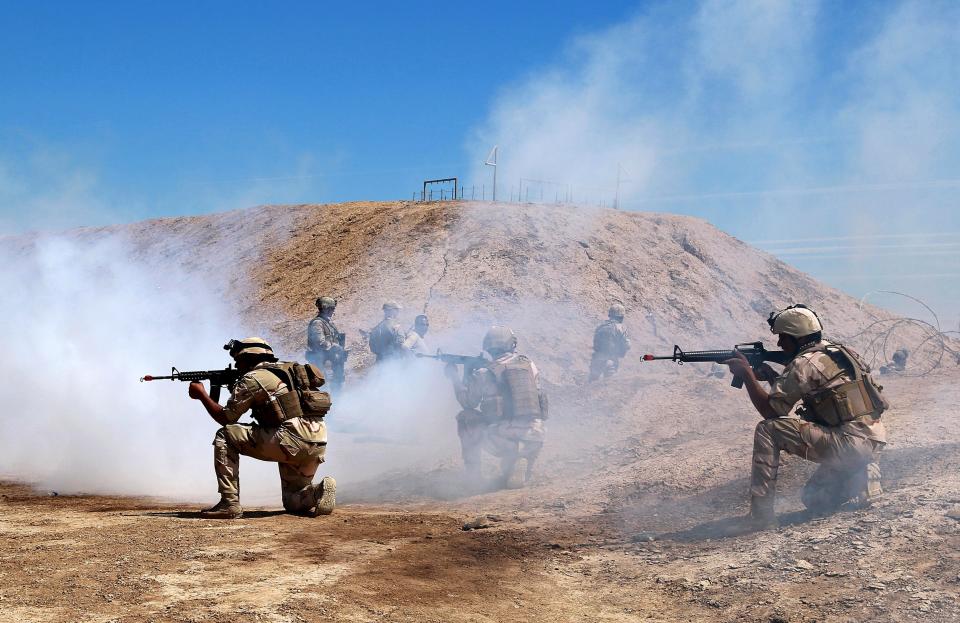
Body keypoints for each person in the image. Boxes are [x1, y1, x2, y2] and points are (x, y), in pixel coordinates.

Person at [724, 305, 888, 528]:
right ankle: (860, 475)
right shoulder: (840, 352)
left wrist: (747, 376)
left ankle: (760, 515)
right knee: (814, 499)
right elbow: (806, 398)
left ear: (796, 337)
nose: (780, 344)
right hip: (870, 440)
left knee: (768, 428)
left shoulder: (804, 363)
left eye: (783, 338)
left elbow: (772, 411)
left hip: (848, 442)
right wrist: (773, 377)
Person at [188, 337, 336, 519]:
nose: (237, 367)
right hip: (317, 442)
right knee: (293, 501)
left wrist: (202, 395)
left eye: (238, 362)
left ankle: (229, 503)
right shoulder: (291, 370)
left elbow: (226, 418)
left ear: (248, 359)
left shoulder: (253, 378)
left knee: (225, 435)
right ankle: (318, 491)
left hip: (290, 440)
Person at [445, 326, 548, 488]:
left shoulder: (484, 373)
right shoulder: (530, 365)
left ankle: (473, 476)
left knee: (466, 417)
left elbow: (468, 402)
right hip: (535, 436)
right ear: (512, 344)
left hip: (503, 439)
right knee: (510, 471)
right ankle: (521, 460)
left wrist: (454, 378)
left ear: (488, 347)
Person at [306, 296, 347, 394]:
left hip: (331, 361)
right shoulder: (317, 323)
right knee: (327, 388)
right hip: (323, 362)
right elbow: (319, 342)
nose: (333, 311)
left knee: (337, 386)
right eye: (332, 308)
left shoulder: (328, 322)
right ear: (326, 308)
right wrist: (334, 346)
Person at [589, 304, 630, 381]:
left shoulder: (600, 326)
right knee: (609, 386)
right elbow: (627, 345)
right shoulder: (620, 327)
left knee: (590, 384)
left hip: (596, 359)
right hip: (610, 360)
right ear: (621, 317)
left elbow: (595, 343)